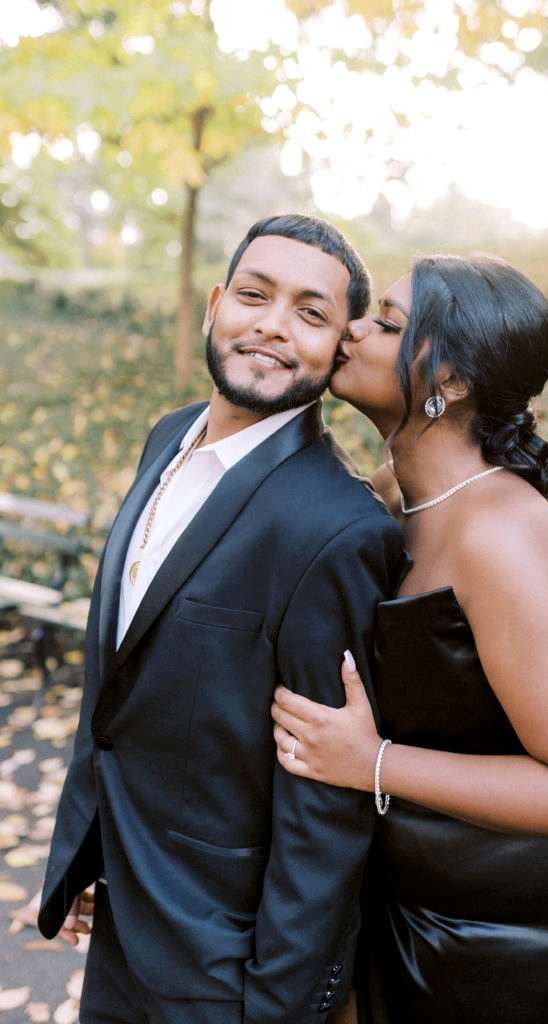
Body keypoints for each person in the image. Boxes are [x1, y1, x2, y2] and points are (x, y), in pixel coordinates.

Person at [37, 214, 406, 1024]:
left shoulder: (338, 529)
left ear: (340, 345)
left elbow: (325, 806)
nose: (273, 324)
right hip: (121, 917)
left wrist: (275, 1005)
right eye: (253, 295)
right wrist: (81, 856)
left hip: (224, 970)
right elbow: (123, 681)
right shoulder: (166, 437)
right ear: (214, 306)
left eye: (310, 313)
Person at [272, 255, 548, 1024]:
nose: (354, 330)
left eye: (388, 323)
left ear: (453, 380)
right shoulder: (389, 500)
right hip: (409, 901)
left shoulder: (501, 533)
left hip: (519, 942)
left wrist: (367, 762)